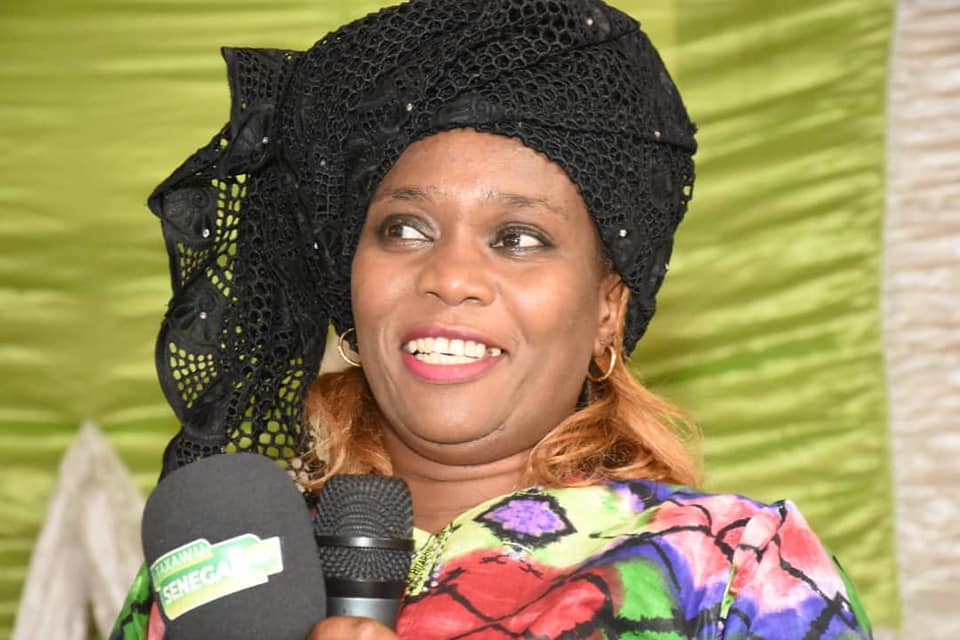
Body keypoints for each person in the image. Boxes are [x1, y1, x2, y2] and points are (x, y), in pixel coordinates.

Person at [111, 0, 873, 638]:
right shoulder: (221, 572)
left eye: (519, 239)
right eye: (404, 229)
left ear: (607, 309)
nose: (449, 277)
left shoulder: (733, 572)